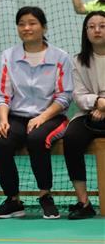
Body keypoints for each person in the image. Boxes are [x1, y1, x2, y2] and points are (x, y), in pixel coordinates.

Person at [0, 6, 73, 220]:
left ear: (43, 27)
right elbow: (2, 95)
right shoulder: (8, 56)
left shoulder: (60, 57)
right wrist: (3, 120)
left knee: (37, 138)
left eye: (32, 23)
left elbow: (64, 96)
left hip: (52, 116)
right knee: (1, 142)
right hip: (16, 117)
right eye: (21, 24)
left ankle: (45, 195)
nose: (26, 28)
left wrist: (42, 117)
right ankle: (13, 200)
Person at [62, 11, 105, 219]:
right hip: (88, 112)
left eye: (102, 26)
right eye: (91, 26)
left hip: (101, 108)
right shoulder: (78, 61)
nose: (97, 30)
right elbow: (78, 95)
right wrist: (97, 102)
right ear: (85, 31)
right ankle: (84, 202)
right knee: (71, 138)